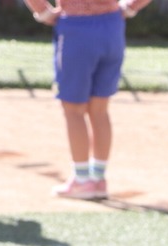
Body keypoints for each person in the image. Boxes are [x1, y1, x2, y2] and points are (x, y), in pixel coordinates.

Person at [22, 0, 151, 201]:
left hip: (76, 28)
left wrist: (43, 12)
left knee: (73, 110)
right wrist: (131, 7)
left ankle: (82, 180)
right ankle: (98, 178)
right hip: (112, 27)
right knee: (100, 110)